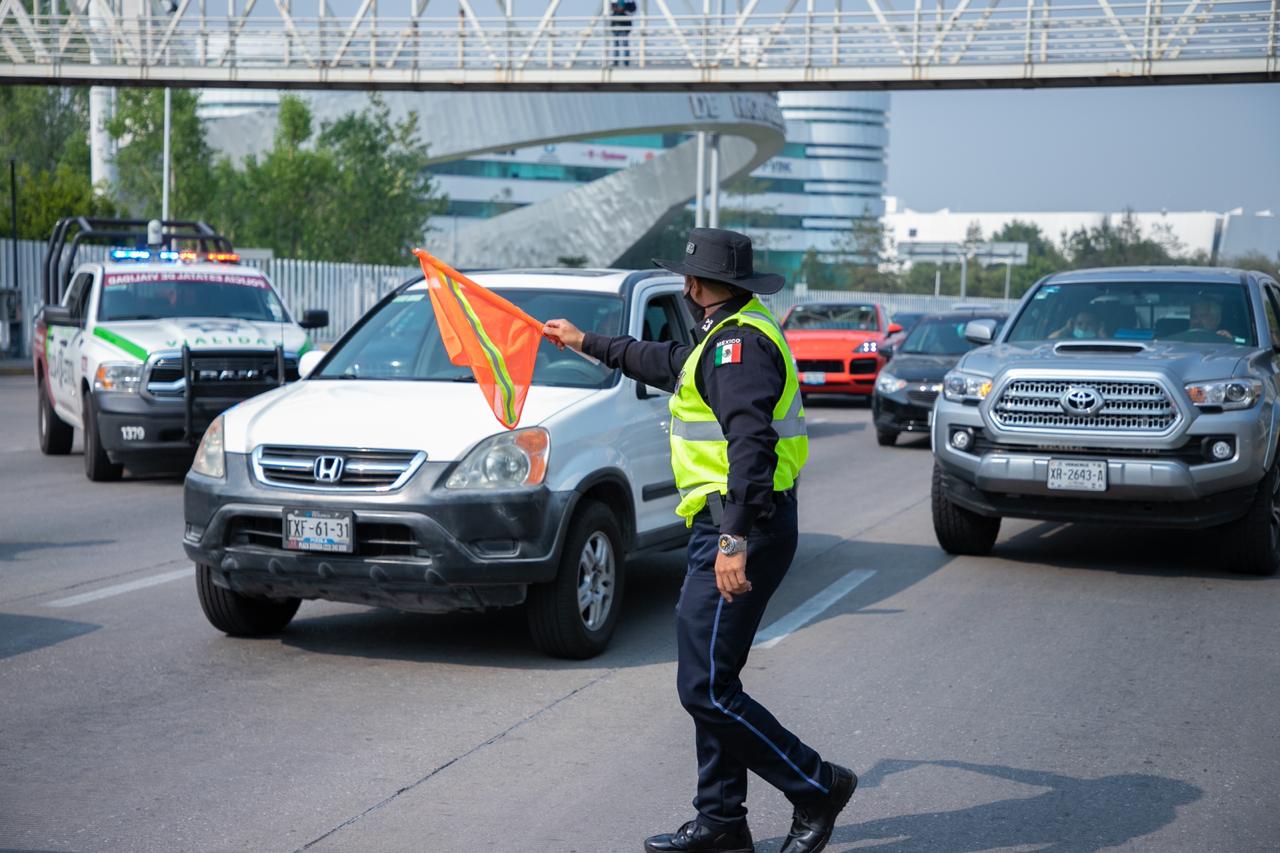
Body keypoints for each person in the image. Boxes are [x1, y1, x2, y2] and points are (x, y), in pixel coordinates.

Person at [543, 228, 855, 853]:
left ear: (708, 285)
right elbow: (664, 364)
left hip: (740, 527)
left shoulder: (739, 348)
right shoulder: (728, 335)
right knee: (714, 681)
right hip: (724, 524)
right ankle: (721, 822)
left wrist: (734, 539)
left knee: (706, 688)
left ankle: (816, 786)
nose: (685, 287)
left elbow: (751, 445)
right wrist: (588, 343)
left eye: (693, 278)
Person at [609, 0, 637, 66]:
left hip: (623, 28)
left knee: (624, 45)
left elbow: (633, 9)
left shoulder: (626, 5)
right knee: (618, 45)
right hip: (618, 27)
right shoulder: (615, 5)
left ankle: (624, 62)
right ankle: (618, 62)